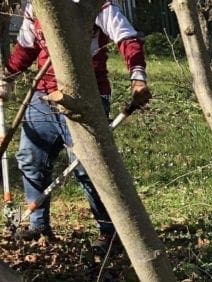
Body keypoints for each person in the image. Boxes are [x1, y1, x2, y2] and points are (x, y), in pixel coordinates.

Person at [1, 0, 152, 252]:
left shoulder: (95, 4)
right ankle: (37, 225)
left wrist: (138, 78)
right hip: (43, 95)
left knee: (88, 167)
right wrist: (6, 76)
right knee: (30, 158)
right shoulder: (36, 6)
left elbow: (127, 38)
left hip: (87, 96)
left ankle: (109, 232)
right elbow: (26, 49)